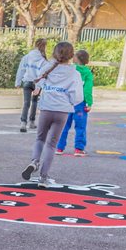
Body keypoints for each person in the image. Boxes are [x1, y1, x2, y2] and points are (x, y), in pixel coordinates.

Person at [22, 40, 85, 185]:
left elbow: (39, 82)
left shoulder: (47, 68)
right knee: (51, 144)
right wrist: (70, 102)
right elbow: (77, 97)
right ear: (71, 56)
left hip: (46, 108)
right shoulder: (74, 73)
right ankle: (43, 178)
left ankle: (34, 162)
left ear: (55, 53)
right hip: (62, 111)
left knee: (40, 139)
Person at [57, 49, 94, 157]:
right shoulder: (87, 73)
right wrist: (89, 103)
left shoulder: (70, 70)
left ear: (76, 59)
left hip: (67, 101)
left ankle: (59, 147)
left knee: (64, 125)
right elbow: (87, 89)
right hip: (80, 103)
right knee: (80, 127)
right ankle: (79, 149)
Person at [15, 38, 49, 132]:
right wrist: (38, 87)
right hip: (36, 83)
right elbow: (43, 75)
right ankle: (32, 122)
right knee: (34, 102)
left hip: (27, 81)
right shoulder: (44, 60)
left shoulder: (27, 56)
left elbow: (21, 69)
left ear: (35, 45)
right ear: (44, 46)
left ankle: (23, 123)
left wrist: (17, 82)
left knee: (26, 103)